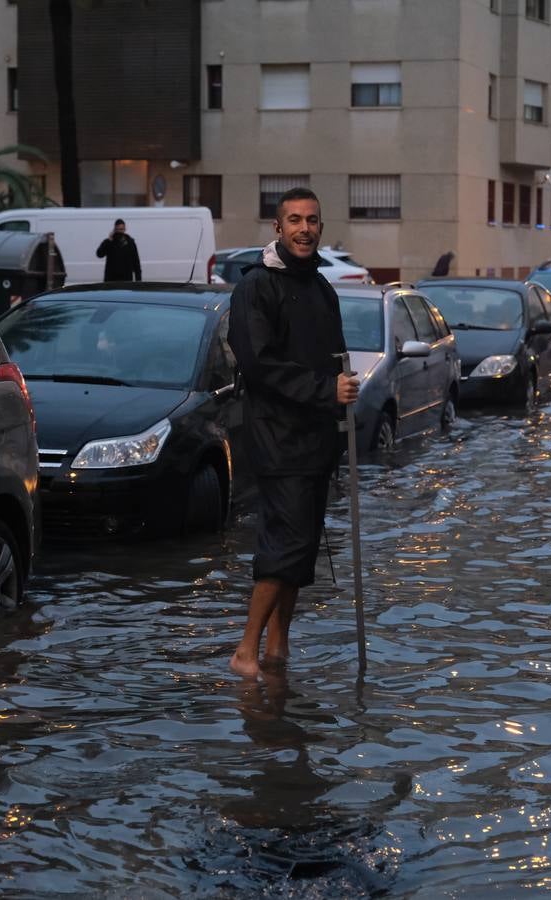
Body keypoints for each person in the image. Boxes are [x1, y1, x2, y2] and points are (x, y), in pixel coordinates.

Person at [227, 187, 360, 678]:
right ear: (277, 228)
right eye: (295, 220)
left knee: (302, 547)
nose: (305, 229)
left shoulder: (323, 288)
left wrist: (344, 389)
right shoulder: (256, 287)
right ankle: (245, 651)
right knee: (284, 543)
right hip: (277, 438)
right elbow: (260, 365)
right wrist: (327, 390)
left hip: (316, 439)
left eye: (313, 220)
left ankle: (278, 644)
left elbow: (333, 359)